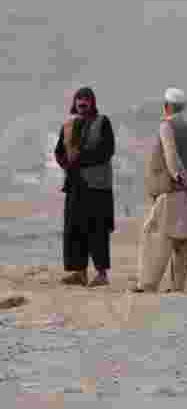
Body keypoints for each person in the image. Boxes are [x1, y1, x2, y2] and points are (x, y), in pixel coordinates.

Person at [134, 88, 187, 293]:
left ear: (166, 106)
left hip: (174, 191)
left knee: (156, 236)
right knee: (183, 241)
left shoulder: (166, 126)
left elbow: (172, 159)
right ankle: (178, 287)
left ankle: (147, 284)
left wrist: (183, 180)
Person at [53, 87, 116, 286]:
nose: (82, 103)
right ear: (74, 102)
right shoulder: (67, 125)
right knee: (74, 230)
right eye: (79, 99)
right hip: (75, 185)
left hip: (97, 187)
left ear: (92, 102)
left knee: (97, 230)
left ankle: (101, 274)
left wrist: (80, 160)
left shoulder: (102, 122)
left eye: (86, 99)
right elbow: (59, 152)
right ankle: (79, 273)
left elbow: (106, 151)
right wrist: (66, 163)